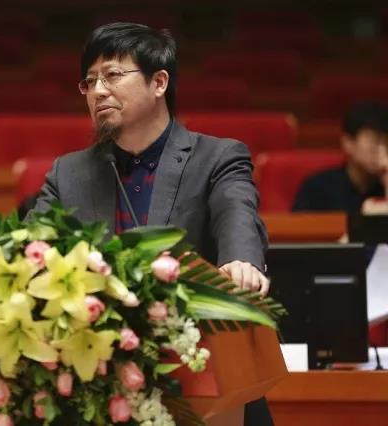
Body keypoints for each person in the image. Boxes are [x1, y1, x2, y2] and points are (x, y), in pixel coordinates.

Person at [28, 22, 272, 425]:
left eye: (112, 75)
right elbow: (29, 246)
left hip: (204, 377)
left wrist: (240, 260)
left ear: (159, 82)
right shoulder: (68, 173)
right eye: (89, 81)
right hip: (102, 387)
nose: (98, 91)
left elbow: (236, 211)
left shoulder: (216, 157)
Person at [293, 101, 388, 212]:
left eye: (386, 141)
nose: (382, 149)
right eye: (374, 141)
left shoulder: (384, 183)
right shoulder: (317, 188)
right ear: (348, 143)